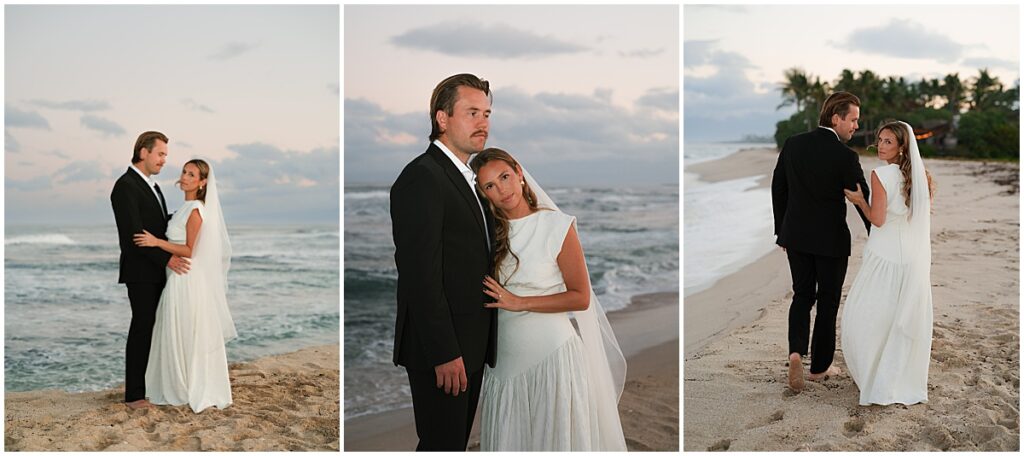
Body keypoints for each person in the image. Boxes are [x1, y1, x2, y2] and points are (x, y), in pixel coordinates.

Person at [471, 148, 627, 451]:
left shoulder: (558, 226)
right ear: (483, 192)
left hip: (554, 358)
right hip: (504, 365)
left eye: (504, 177)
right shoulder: (488, 235)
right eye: (490, 185)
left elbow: (581, 297)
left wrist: (520, 302)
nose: (502, 189)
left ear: (518, 172)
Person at [389, 73, 497, 451]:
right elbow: (420, 276)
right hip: (444, 350)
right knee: (442, 445)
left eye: (486, 113)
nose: (482, 122)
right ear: (442, 118)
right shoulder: (423, 177)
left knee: (452, 444)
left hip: (469, 344)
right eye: (471, 112)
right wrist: (445, 352)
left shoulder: (468, 177)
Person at [771, 92, 871, 392]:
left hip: (796, 237)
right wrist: (877, 233)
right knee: (827, 302)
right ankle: (819, 368)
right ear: (836, 118)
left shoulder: (793, 144)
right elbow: (861, 199)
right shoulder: (845, 156)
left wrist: (782, 232)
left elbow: (779, 189)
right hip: (831, 241)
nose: (855, 125)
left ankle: (795, 353)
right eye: (853, 119)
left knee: (802, 296)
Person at [841, 120, 934, 406]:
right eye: (879, 140)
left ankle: (875, 378)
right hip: (910, 257)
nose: (881, 146)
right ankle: (899, 378)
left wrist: (859, 200)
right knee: (898, 318)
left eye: (888, 141)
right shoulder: (922, 176)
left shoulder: (879, 175)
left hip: (884, 255)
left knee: (866, 315)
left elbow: (878, 219)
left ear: (901, 146)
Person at [133, 159, 236, 413]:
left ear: (202, 183)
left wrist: (156, 242)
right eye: (184, 171)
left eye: (192, 174)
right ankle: (180, 381)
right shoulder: (184, 207)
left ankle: (187, 385)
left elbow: (189, 250)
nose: (185, 176)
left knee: (184, 329)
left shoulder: (195, 211)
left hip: (185, 278)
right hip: (177, 276)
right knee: (178, 329)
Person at [110, 131, 190, 410]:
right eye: (161, 154)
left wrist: (189, 214)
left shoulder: (152, 186)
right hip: (141, 272)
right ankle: (133, 396)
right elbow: (133, 237)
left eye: (165, 155)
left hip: (156, 269)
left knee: (157, 329)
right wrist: (167, 260)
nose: (164, 160)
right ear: (143, 152)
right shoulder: (125, 186)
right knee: (142, 328)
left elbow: (157, 226)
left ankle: (153, 385)